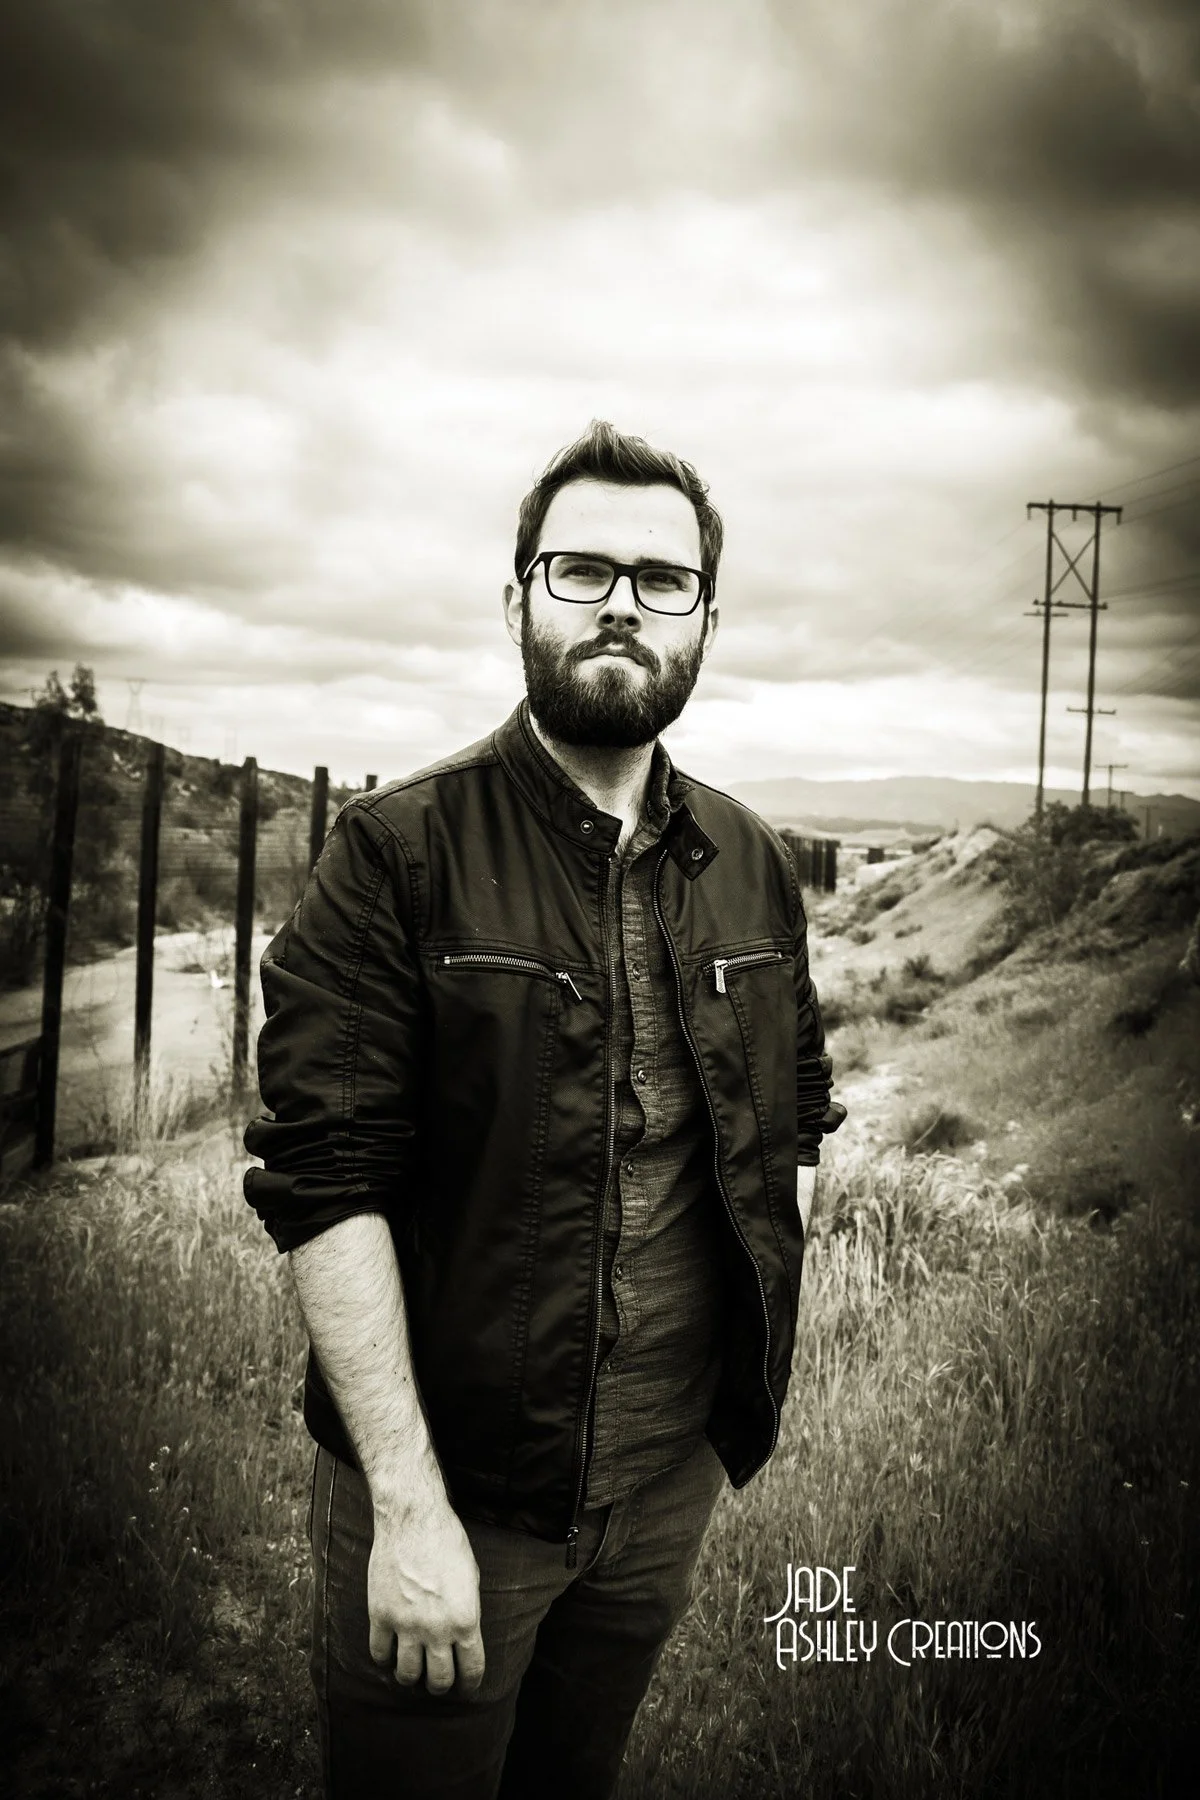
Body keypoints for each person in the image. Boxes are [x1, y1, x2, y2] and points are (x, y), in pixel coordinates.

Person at [243, 420, 845, 1799]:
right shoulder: (396, 853)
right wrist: (406, 1507)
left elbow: (794, 1120)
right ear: (517, 598)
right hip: (458, 1498)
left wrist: (712, 1407)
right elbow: (326, 1182)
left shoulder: (751, 863)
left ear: (704, 618)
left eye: (663, 577)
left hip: (666, 1487)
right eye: (581, 570)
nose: (624, 601)